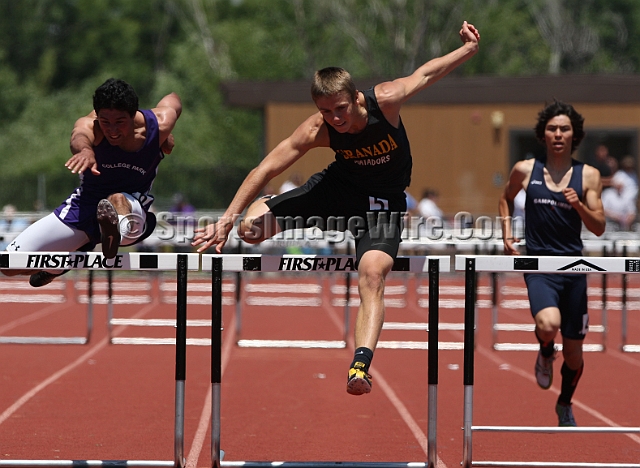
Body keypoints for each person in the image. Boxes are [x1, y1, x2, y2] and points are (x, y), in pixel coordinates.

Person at [193, 21, 480, 396]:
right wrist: (227, 219)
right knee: (250, 232)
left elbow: (427, 72)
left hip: (381, 205)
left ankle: (360, 365)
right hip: (337, 191)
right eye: (326, 112)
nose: (336, 119)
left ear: (356, 98)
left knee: (373, 273)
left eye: (340, 109)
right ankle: (269, 211)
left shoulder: (386, 100)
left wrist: (468, 50)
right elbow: (265, 168)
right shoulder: (318, 129)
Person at [1, 78, 182, 287]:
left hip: (131, 209)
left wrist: (165, 136)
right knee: (10, 264)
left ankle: (113, 235)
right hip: (85, 205)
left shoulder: (160, 123)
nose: (112, 130)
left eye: (120, 122)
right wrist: (86, 150)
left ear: (133, 115)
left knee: (115, 199)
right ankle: (59, 265)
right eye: (105, 122)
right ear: (97, 116)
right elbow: (78, 136)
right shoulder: (90, 125)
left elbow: (174, 99)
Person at [498, 100, 606, 426]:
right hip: (539, 264)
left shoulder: (588, 175)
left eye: (565, 129)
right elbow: (505, 198)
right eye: (552, 129)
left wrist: (580, 207)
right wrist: (506, 234)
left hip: (574, 269)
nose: (558, 134)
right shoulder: (525, 169)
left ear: (575, 135)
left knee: (574, 354)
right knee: (547, 325)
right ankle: (546, 351)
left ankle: (564, 403)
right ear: (543, 134)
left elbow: (599, 227)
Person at [601, 155, 638, 231]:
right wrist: (617, 217)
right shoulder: (607, 194)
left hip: (623, 226)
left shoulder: (627, 196)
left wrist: (628, 219)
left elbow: (632, 212)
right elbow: (603, 210)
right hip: (609, 225)